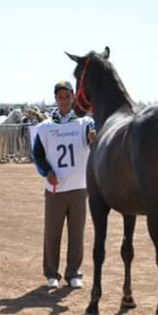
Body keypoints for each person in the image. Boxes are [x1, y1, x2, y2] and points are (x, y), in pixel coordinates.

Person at [32, 81, 94, 289]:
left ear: (73, 97)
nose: (64, 100)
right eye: (60, 97)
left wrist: (93, 137)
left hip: (79, 187)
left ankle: (73, 273)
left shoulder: (85, 122)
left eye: (67, 96)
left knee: (77, 233)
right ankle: (51, 273)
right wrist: (46, 172)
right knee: (52, 233)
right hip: (55, 188)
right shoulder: (45, 127)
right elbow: (38, 155)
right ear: (56, 99)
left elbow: (93, 138)